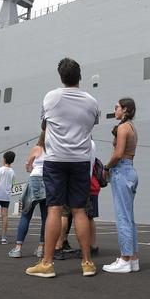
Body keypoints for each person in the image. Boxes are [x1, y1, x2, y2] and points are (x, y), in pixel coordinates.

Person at [26, 57, 99, 278]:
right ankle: (87, 262)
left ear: (61, 77)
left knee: (55, 209)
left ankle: (47, 264)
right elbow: (92, 124)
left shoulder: (52, 97)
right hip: (80, 160)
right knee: (80, 211)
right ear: (80, 76)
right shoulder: (91, 101)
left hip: (56, 159)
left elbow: (43, 124)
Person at [103, 98, 140, 274]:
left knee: (122, 217)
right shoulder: (131, 127)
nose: (115, 110)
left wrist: (106, 167)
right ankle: (133, 258)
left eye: (117, 107)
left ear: (125, 109)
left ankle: (125, 259)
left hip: (121, 171)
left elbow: (118, 154)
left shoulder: (123, 128)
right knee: (129, 217)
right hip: (130, 170)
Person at [10, 137, 48, 258]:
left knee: (26, 214)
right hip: (49, 180)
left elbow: (28, 166)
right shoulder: (55, 149)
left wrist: (29, 167)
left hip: (35, 178)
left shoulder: (37, 148)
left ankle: (18, 248)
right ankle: (41, 248)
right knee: (45, 217)